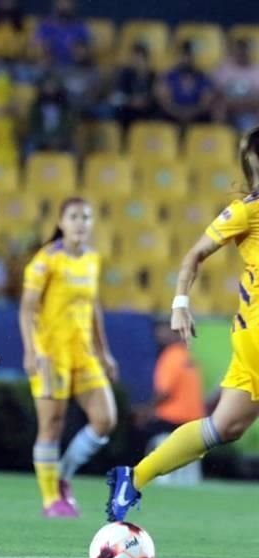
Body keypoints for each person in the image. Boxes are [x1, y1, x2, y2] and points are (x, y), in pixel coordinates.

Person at [108, 126, 259, 522]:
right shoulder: (246, 210)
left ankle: (134, 477)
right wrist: (180, 304)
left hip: (249, 334)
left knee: (226, 426)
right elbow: (193, 255)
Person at [19, 197, 118, 518]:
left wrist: (105, 353)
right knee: (52, 424)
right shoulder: (46, 260)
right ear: (61, 222)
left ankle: (62, 476)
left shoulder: (92, 259)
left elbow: (93, 309)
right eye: (74, 216)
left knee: (105, 420)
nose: (80, 222)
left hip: (84, 353)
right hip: (51, 353)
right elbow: (27, 308)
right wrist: (32, 352)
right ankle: (51, 500)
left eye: (86, 217)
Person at [130, 318, 204, 458]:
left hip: (173, 420)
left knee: (135, 431)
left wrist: (145, 412)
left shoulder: (171, 355)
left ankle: (139, 471)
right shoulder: (187, 356)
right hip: (194, 421)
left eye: (164, 329)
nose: (159, 333)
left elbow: (164, 393)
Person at [155, 40, 215, 127]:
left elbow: (205, 102)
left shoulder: (202, 77)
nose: (186, 59)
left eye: (189, 55)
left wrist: (190, 113)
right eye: (184, 55)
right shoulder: (168, 76)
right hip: (172, 114)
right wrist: (178, 112)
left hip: (196, 116)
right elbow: (164, 101)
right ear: (179, 56)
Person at [212, 38, 259, 133]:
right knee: (218, 110)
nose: (241, 54)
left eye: (244, 51)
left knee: (247, 123)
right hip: (228, 111)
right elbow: (217, 95)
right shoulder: (224, 69)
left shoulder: (256, 71)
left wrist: (241, 105)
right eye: (239, 51)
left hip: (250, 112)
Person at [110, 43, 158, 130]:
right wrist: (131, 101)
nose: (136, 61)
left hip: (147, 108)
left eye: (139, 58)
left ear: (146, 59)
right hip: (129, 108)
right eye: (134, 58)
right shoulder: (126, 74)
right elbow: (117, 96)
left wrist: (145, 101)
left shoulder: (153, 76)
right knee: (119, 112)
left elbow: (155, 95)